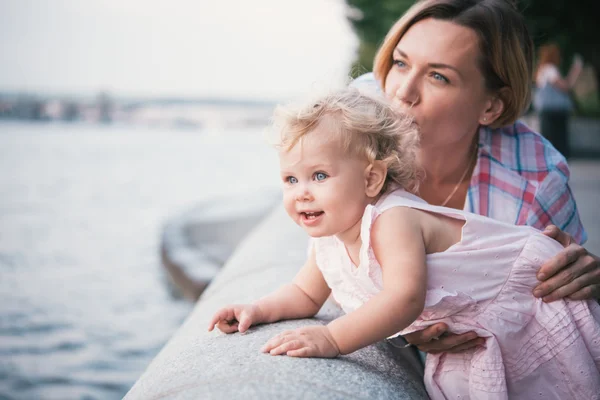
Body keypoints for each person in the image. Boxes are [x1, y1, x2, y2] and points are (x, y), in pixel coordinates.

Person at [208, 88, 600, 399]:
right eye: (291, 180)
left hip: (534, 299)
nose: (302, 193)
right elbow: (304, 294)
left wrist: (331, 337)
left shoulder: (392, 219)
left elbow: (403, 299)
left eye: (320, 175)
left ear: (371, 180)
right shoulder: (330, 239)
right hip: (484, 320)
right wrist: (257, 309)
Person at [349, 0, 599, 354]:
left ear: (491, 106)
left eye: (438, 76)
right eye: (400, 63)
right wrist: (400, 328)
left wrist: (585, 280)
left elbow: (562, 307)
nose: (403, 92)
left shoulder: (535, 176)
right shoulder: (355, 123)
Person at [533, 42, 583, 159]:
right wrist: (576, 70)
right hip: (555, 112)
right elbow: (565, 87)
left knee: (548, 142)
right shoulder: (550, 69)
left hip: (546, 111)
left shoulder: (542, 69)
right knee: (559, 143)